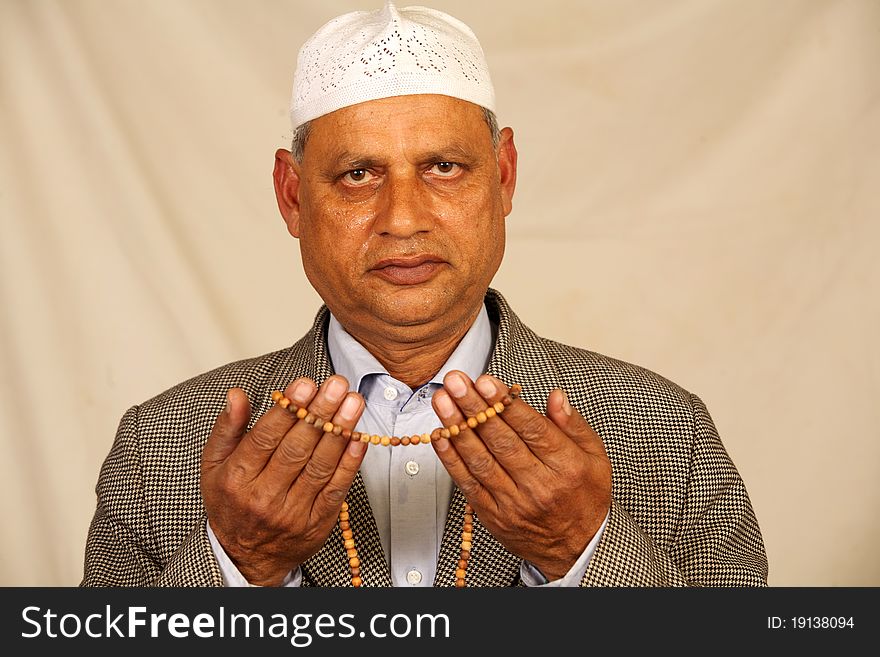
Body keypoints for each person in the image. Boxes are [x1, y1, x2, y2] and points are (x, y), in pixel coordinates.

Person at [81, 1, 768, 588]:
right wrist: (234, 564)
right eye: (356, 173)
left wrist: (585, 553)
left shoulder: (666, 433)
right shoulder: (160, 449)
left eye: (444, 166)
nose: (403, 217)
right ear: (293, 196)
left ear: (502, 178)